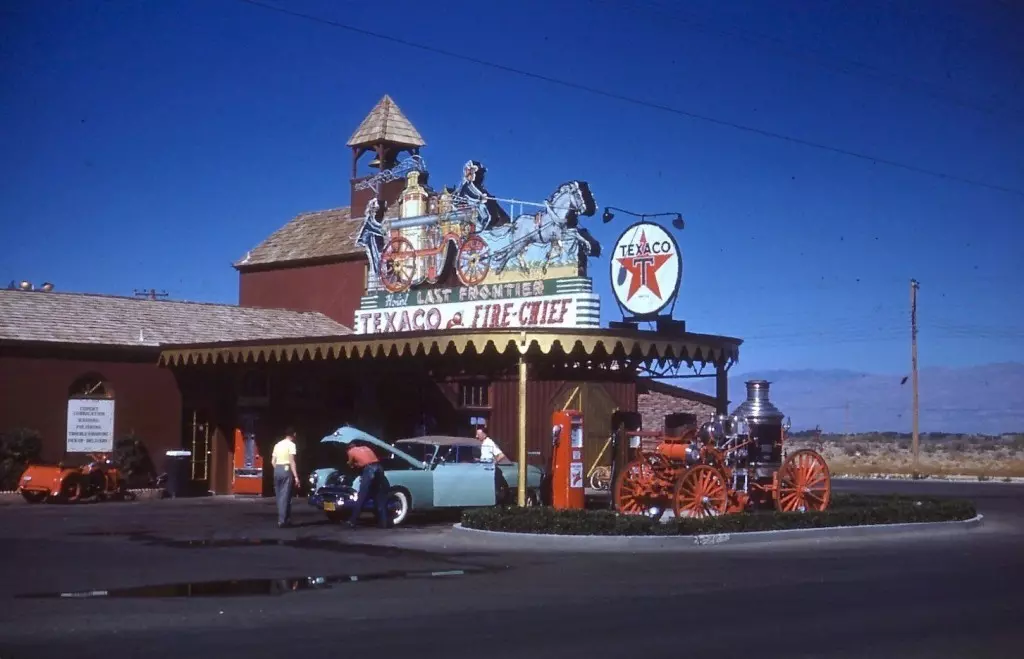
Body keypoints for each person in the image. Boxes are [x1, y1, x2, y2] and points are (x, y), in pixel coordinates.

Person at [345, 441, 390, 529]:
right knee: (379, 496)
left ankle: (352, 521)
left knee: (361, 496)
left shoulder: (350, 451)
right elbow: (368, 459)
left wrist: (351, 464)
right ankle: (384, 523)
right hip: (379, 468)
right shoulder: (365, 447)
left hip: (369, 470)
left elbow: (350, 465)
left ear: (348, 448)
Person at [271, 428, 301, 528]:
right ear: (294, 434)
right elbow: (292, 461)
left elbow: (272, 461)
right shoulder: (291, 445)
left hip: (277, 470)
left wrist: (278, 469)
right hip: (286, 469)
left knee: (279, 495)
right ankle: (282, 520)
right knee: (285, 495)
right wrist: (296, 477)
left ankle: (285, 518)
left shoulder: (277, 445)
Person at [476, 426, 511, 504]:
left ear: (484, 434)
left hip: (488, 469)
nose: (476, 436)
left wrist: (493, 463)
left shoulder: (489, 443)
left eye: (478, 434)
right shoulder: (483, 443)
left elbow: (501, 455)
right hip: (483, 468)